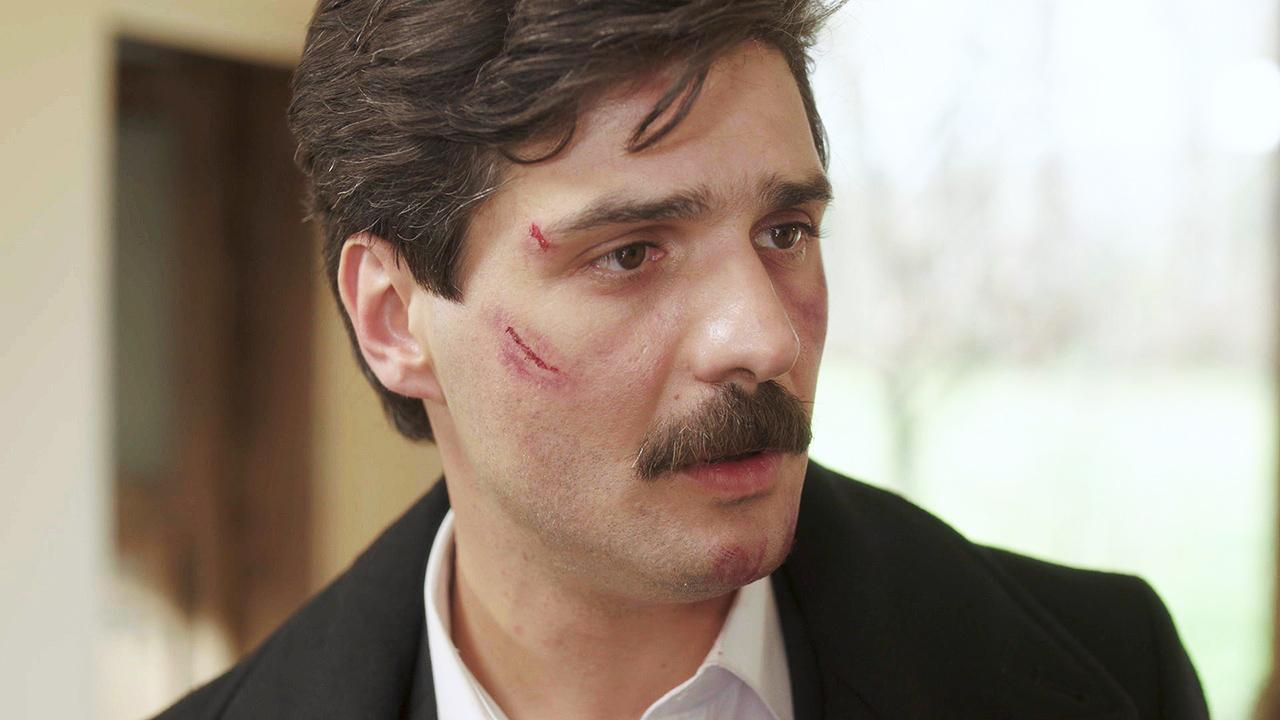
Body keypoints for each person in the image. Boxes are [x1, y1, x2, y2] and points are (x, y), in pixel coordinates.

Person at [158, 1, 1209, 718]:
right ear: (395, 320)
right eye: (630, 253)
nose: (764, 336)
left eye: (784, 233)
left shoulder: (1113, 676)